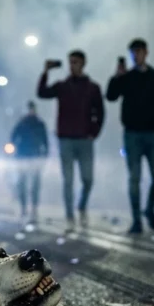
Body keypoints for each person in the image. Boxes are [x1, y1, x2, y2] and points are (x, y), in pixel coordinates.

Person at [105, 39, 154, 234]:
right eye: (133, 52)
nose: (136, 55)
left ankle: (149, 208)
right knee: (135, 178)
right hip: (132, 133)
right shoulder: (126, 78)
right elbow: (111, 96)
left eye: (139, 51)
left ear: (146, 53)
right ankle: (137, 220)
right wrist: (116, 77)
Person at [37, 50, 105, 231]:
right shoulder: (62, 86)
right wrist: (45, 72)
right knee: (68, 180)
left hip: (85, 140)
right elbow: (42, 93)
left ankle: (81, 206)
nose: (72, 65)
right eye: (70, 62)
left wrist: (94, 132)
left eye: (75, 62)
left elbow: (100, 112)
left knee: (88, 179)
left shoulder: (93, 88)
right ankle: (69, 216)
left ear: (83, 63)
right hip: (66, 139)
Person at [9, 101, 50, 222]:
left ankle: (33, 207)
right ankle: (24, 207)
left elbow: (45, 141)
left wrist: (45, 155)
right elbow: (13, 138)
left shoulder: (37, 124)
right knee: (23, 183)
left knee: (34, 184)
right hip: (24, 156)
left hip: (33, 156)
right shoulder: (24, 123)